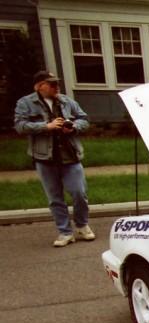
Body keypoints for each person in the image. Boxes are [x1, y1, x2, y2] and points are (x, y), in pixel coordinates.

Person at [14, 71, 94, 247]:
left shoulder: (66, 101)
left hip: (70, 155)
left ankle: (82, 225)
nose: (57, 87)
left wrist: (73, 127)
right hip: (45, 158)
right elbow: (20, 126)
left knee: (79, 193)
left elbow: (84, 119)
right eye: (52, 84)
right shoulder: (25, 103)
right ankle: (65, 232)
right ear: (39, 86)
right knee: (55, 198)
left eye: (57, 83)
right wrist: (46, 126)